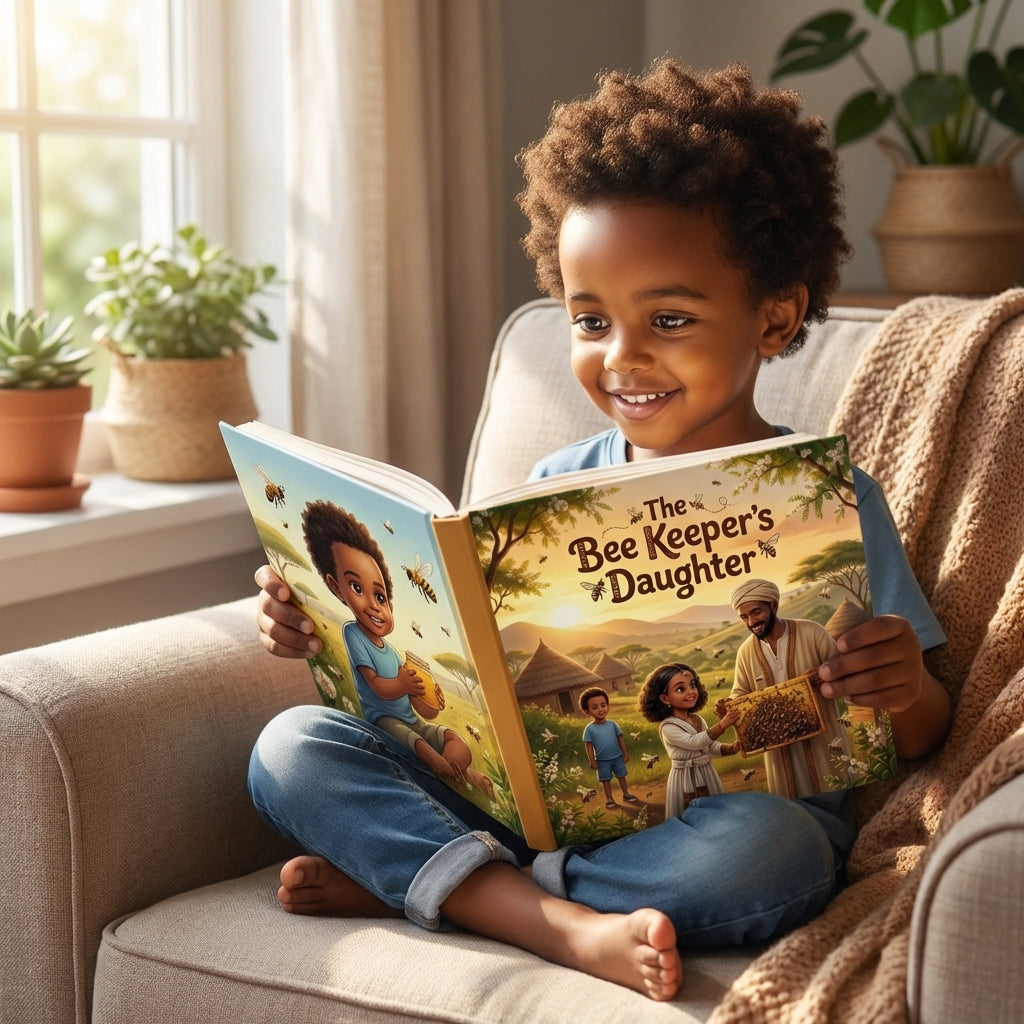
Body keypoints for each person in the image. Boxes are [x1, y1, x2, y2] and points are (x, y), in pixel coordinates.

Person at [250, 60, 952, 1002]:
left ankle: (448, 887)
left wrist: (902, 684)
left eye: (668, 317)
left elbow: (921, 735)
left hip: (715, 825)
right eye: (589, 319)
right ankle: (547, 916)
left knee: (775, 854)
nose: (622, 358)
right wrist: (317, 627)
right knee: (288, 747)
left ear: (776, 316)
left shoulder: (833, 501)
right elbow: (447, 696)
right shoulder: (551, 489)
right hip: (521, 814)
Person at [301, 499, 493, 795]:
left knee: (457, 744)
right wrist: (404, 683)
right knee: (412, 741)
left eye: (380, 597)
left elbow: (423, 713)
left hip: (414, 722)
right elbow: (378, 687)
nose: (374, 606)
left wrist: (428, 698)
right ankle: (448, 772)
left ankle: (457, 770)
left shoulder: (392, 652)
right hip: (385, 721)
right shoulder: (354, 634)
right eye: (356, 588)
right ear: (336, 587)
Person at [727, 578, 851, 799]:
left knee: (838, 796)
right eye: (744, 617)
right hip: (778, 754)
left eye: (756, 612)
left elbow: (844, 671)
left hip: (824, 743)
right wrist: (730, 705)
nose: (751, 621)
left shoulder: (812, 631)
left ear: (773, 605)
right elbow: (739, 694)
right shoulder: (745, 652)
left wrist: (823, 674)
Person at [638, 664, 740, 816]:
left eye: (692, 685)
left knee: (714, 812)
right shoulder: (668, 726)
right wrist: (722, 725)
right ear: (664, 698)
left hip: (706, 772)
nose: (691, 692)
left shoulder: (697, 720)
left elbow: (708, 746)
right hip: (684, 778)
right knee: (689, 813)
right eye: (681, 689)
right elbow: (694, 742)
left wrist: (731, 748)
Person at [579, 686, 640, 809]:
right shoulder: (590, 729)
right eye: (594, 707)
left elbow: (620, 739)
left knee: (621, 776)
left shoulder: (613, 724)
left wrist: (625, 753)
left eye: (603, 705)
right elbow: (589, 746)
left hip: (617, 757)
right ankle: (609, 798)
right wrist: (592, 760)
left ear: (608, 705)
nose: (600, 710)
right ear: (587, 711)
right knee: (605, 780)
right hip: (602, 760)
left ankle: (626, 793)